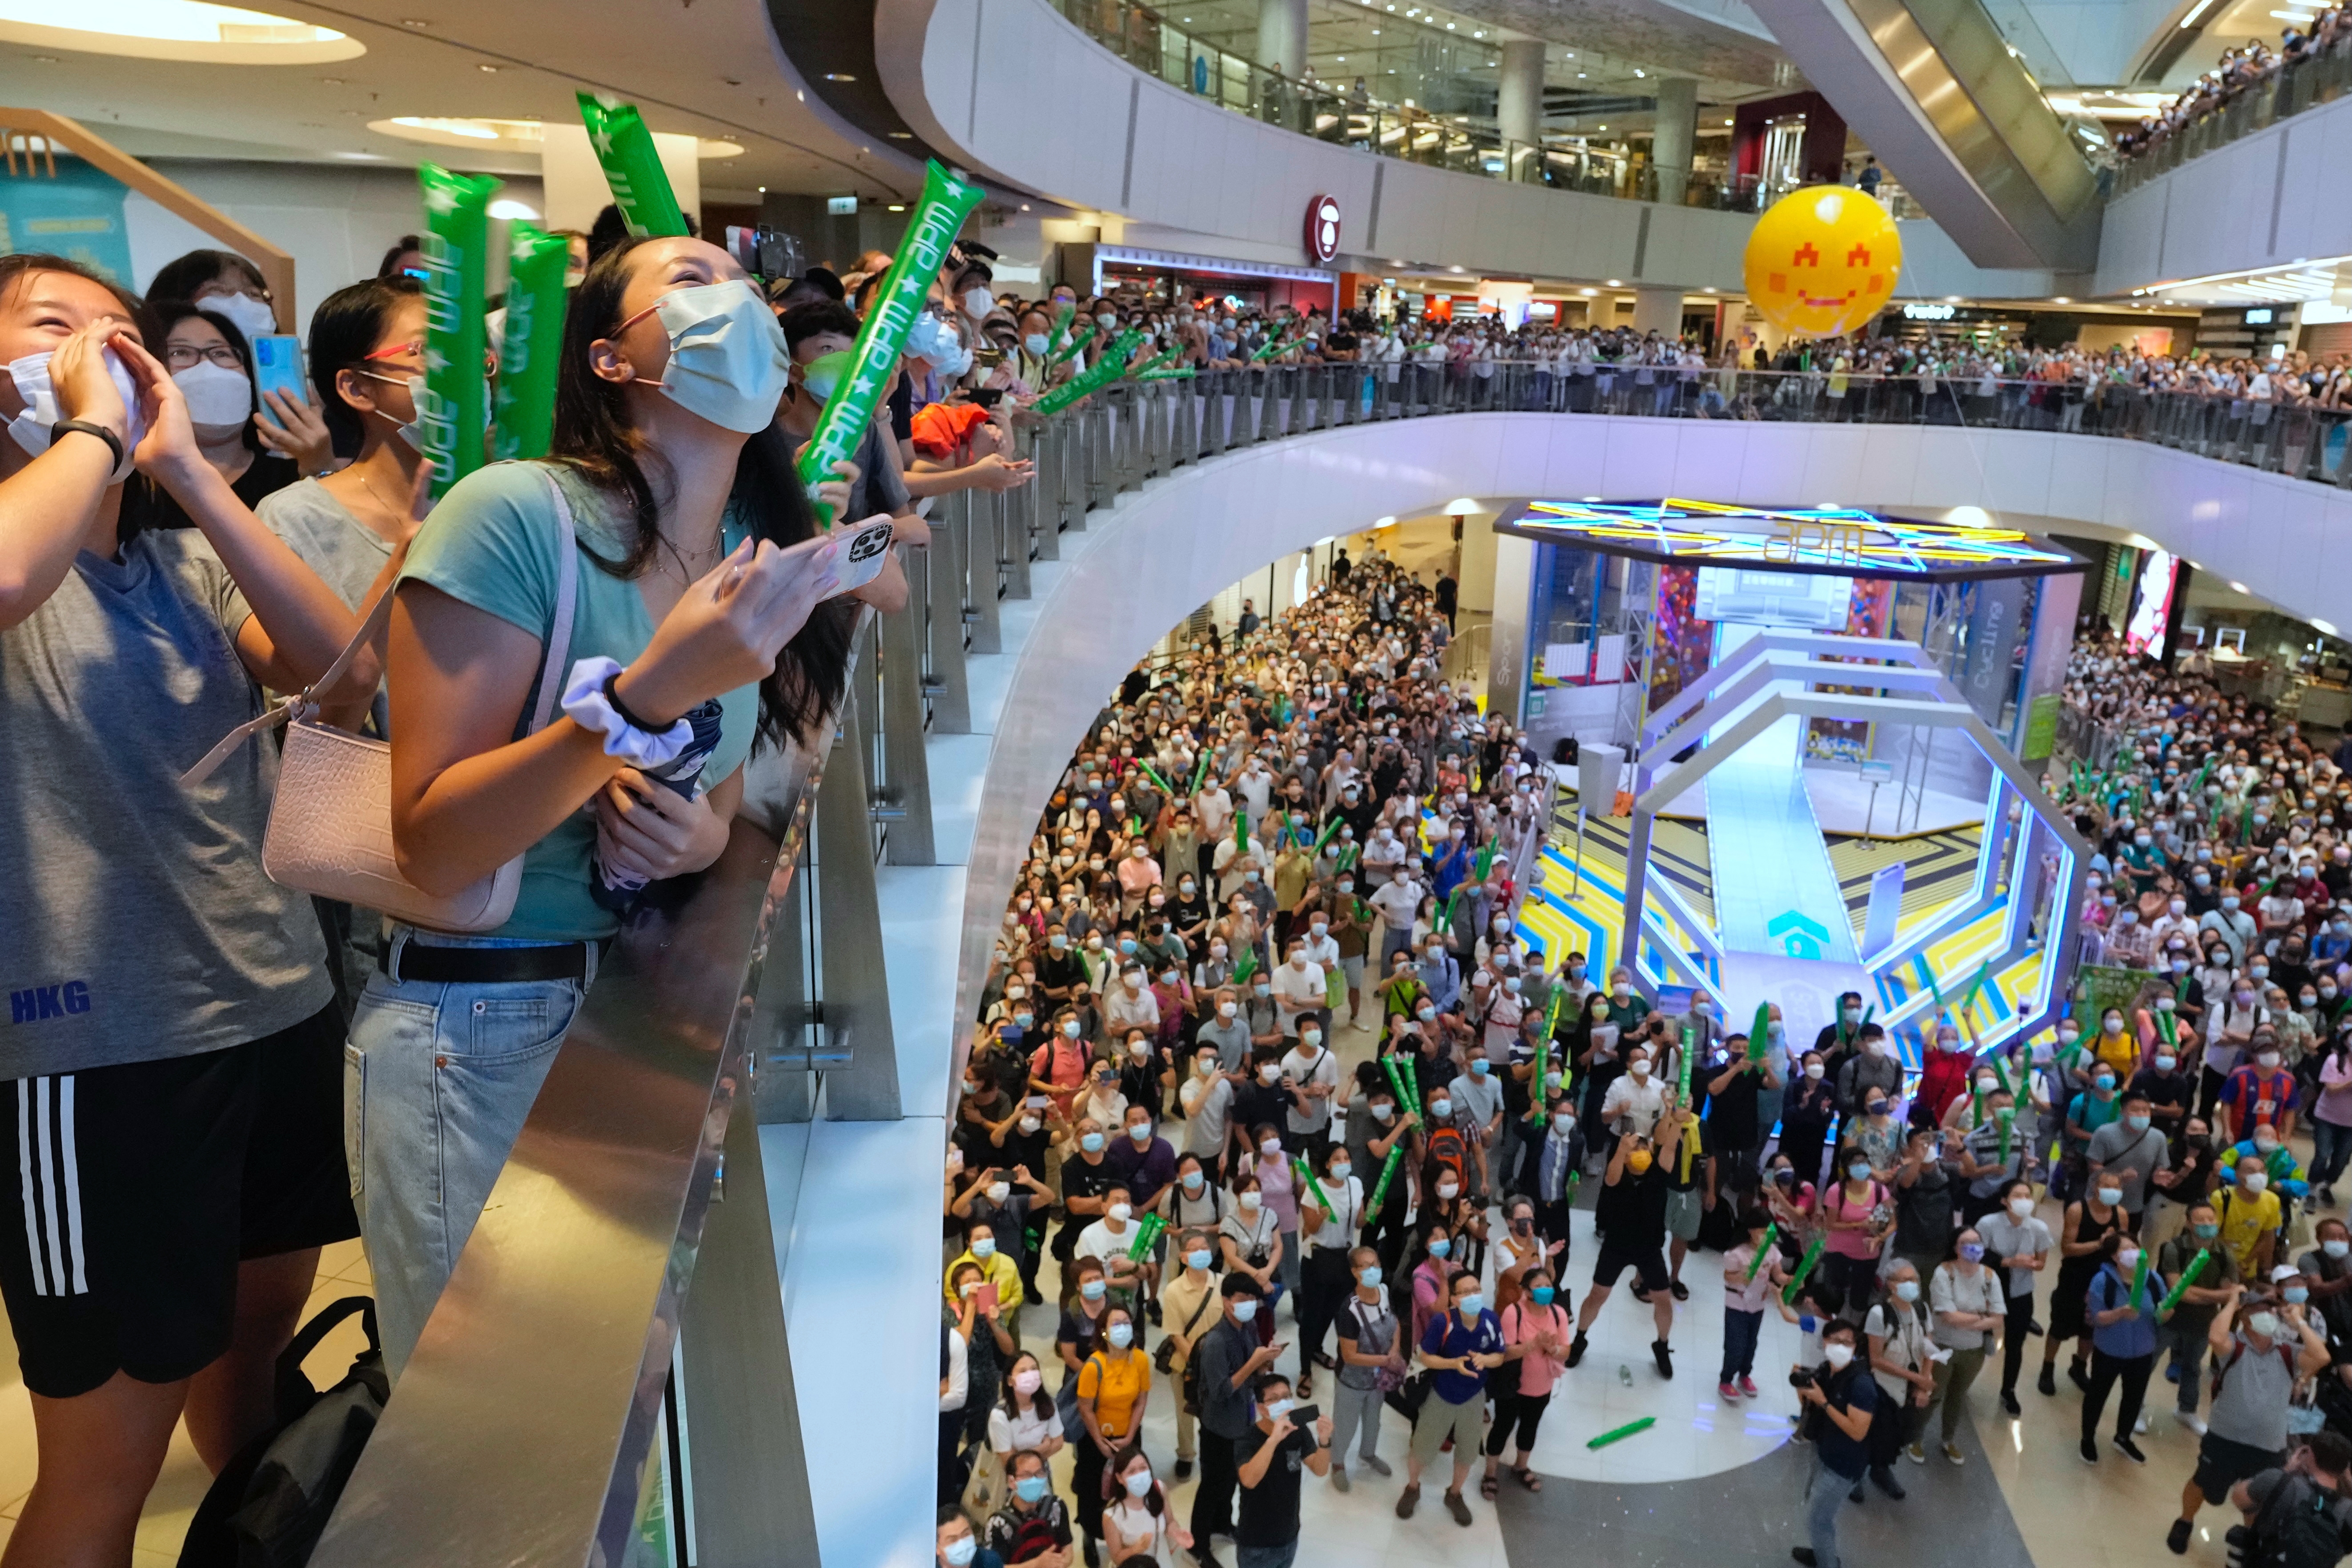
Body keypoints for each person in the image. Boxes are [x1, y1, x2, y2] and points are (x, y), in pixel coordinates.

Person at [351, 233, 864, 1377]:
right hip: (477, 1027)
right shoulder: (515, 516)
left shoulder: (741, 552)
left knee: (597, 1424)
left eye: (744, 289)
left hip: (632, 1020)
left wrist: (700, 834)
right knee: (485, 1437)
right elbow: (430, 843)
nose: (731, 301)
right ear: (610, 358)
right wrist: (639, 698)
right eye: (690, 282)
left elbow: (724, 782)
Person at [0, 252, 374, 1565]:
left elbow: (343, 675)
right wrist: (97, 428)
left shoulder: (183, 559)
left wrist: (198, 474)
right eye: (56, 327)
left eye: (121, 332)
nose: (100, 347)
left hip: (274, 1004)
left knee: (250, 1359)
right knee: (104, 1461)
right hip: (98, 1055)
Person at [2168, 1285, 2332, 1553]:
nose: (2268, 1314)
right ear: (2245, 1317)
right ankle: (2185, 1521)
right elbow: (2215, 1336)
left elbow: (2322, 1356)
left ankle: (2250, 1537)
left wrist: (2299, 1321)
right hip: (2225, 1438)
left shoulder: (2288, 1352)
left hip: (2269, 1446)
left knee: (2259, 1498)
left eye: (2271, 1309)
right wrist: (2233, 1301)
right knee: (2202, 1482)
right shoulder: (2235, 1345)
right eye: (2260, 1309)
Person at [1569, 1096, 1685, 1377]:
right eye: (1636, 1149)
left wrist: (1674, 1117)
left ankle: (1662, 1345)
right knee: (1598, 1295)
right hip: (1616, 1247)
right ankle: (1579, 1339)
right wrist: (1622, 1148)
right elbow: (1610, 1178)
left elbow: (1669, 1145)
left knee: (1663, 1300)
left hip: (1650, 1249)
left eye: (1644, 1148)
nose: (1641, 1153)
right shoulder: (1617, 1175)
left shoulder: (1659, 1173)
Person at [1400, 1267, 1504, 1526]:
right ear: (1455, 1299)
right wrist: (1452, 1364)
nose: (1473, 1296)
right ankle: (1412, 1488)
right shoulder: (1442, 1323)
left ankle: (1454, 1494)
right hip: (1441, 1395)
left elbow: (1500, 1354)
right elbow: (1425, 1356)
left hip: (1473, 1398)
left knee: (1468, 1453)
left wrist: (1486, 1359)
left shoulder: (1491, 1320)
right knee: (1422, 1448)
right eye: (1466, 1292)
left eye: (1476, 1290)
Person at [1191, 1275, 1282, 1568]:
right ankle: (1198, 1544)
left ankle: (1222, 1523)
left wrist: (1265, 1360)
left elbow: (1253, 1373)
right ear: (1226, 1301)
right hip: (1218, 1426)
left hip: (1243, 1421)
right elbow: (1220, 1392)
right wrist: (1254, 1363)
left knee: (1231, 1478)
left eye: (1252, 1300)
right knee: (1211, 1485)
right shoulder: (1215, 1342)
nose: (1248, 1305)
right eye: (1242, 1299)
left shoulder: (1249, 1327)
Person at [1792, 1321, 1879, 1568]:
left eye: (1847, 1342)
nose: (1841, 1346)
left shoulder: (1861, 1385)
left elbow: (1858, 1431)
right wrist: (1804, 1387)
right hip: (1823, 1450)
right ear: (1825, 1342)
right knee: (1816, 1510)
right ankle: (1822, 1553)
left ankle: (1828, 1562)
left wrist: (1824, 1403)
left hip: (1843, 1466)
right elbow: (1806, 1405)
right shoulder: (1826, 1370)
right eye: (1835, 1340)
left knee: (1819, 1520)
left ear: (1855, 1347)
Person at [1918, 1227, 2006, 1463]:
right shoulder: (1944, 1273)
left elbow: (1998, 1318)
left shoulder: (1989, 1276)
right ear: (1956, 1249)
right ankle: (1916, 1437)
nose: (1974, 1247)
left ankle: (1948, 1439)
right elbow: (1948, 1317)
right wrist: (1980, 1315)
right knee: (1933, 1394)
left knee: (1957, 1396)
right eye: (1967, 1243)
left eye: (1977, 1242)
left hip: (1974, 1351)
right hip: (1943, 1345)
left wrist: (1964, 1318)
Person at [1073, 1303, 1150, 1562]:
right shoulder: (1094, 1366)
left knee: (1125, 1488)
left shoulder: (1139, 1359)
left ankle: (1122, 1537)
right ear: (1104, 1332)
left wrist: (1129, 1436)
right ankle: (1090, 1533)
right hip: (1097, 1439)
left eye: (1127, 1322)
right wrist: (1100, 1441)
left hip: (1128, 1436)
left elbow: (1141, 1400)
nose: (1123, 1328)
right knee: (1093, 1490)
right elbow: (1085, 1408)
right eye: (1116, 1324)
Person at [1485, 1263, 1572, 1495]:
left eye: (1548, 1285)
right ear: (1527, 1291)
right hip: (1513, 1386)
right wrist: (1533, 1345)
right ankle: (1490, 1473)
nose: (1545, 1290)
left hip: (1542, 1386)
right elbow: (1506, 1352)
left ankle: (1521, 1466)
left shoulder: (1558, 1313)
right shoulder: (1515, 1312)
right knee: (1502, 1427)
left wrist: (1553, 1350)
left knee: (1530, 1426)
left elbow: (1566, 1350)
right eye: (1539, 1286)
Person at [2159, 1200, 2241, 1435]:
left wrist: (2195, 1293)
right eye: (2201, 1220)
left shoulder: (2225, 1254)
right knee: (2149, 1362)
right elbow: (2178, 1290)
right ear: (2188, 1223)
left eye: (2211, 1220)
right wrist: (2214, 1294)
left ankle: (2187, 1410)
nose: (2207, 1224)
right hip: (2169, 1316)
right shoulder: (2174, 1248)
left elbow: (2228, 1295)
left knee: (2193, 1367)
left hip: (2203, 1321)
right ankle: (2137, 1408)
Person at [1235, 1370, 1333, 1568]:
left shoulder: (1299, 1430)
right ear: (1262, 1409)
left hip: (1289, 1534)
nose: (1284, 1403)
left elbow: (1320, 1469)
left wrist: (1324, 1441)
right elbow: (1249, 1480)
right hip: (1256, 1542)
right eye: (1275, 1399)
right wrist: (1274, 1440)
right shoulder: (1247, 1438)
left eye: (1287, 1396)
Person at [2042, 1174, 2127, 1396]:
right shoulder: (2078, 1210)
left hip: (2103, 1280)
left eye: (2116, 1187)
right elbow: (2068, 1248)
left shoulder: (2121, 1214)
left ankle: (2079, 1367)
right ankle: (2047, 1367)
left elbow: (2121, 1247)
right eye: (2107, 1186)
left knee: (2090, 1329)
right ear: (2095, 1187)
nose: (2112, 1190)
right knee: (2059, 1326)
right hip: (2075, 1277)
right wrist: (2100, 1244)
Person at [2080, 1235, 2159, 1464]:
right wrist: (2120, 1313)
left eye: (2136, 1247)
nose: (2134, 1252)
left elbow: (2161, 1308)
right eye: (2127, 1249)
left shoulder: (2152, 1279)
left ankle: (2124, 1437)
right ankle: (2088, 1437)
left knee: (2134, 1397)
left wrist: (2165, 1313)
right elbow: (2097, 1317)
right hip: (2109, 1350)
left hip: (2143, 1351)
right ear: (2115, 1256)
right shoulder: (2102, 1281)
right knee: (2098, 1394)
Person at [1328, 1246, 1401, 1491]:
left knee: (1374, 1420)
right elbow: (1349, 1355)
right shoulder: (1349, 1309)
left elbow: (1394, 1322)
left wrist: (1395, 1350)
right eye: (1366, 1266)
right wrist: (1385, 1361)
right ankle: (1337, 1464)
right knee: (1346, 1424)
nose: (1373, 1270)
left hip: (1378, 1379)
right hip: (1352, 1380)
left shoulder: (1384, 1290)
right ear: (1354, 1272)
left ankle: (1368, 1453)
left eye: (1376, 1264)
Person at [1978, 1178, 2053, 1415]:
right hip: (1988, 1291)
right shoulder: (1988, 1224)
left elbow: (2041, 1263)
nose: (2023, 1201)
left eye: (2027, 1196)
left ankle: (2009, 1389)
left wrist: (2029, 1263)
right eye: (2017, 1196)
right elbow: (1976, 1255)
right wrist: (2010, 1261)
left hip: (2020, 1291)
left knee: (2015, 1344)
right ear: (2004, 1201)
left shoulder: (2039, 1228)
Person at [1861, 1261, 1933, 1498]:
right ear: (1891, 1285)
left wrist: (1924, 1383)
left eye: (1914, 1279)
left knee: (1894, 1436)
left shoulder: (1922, 1309)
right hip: (1883, 1385)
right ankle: (1856, 1475)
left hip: (1909, 1388)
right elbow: (1876, 1359)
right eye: (1904, 1280)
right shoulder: (1879, 1313)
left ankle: (1881, 1470)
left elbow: (1929, 1349)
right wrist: (1917, 1378)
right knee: (1871, 1432)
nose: (1911, 1285)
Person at [1722, 1208, 1785, 1400]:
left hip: (1758, 1306)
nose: (1766, 1235)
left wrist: (1792, 1280)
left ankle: (1745, 1375)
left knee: (1751, 1344)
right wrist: (1746, 1275)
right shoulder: (1737, 1254)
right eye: (1762, 1231)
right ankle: (1726, 1380)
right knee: (1736, 1345)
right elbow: (1728, 1276)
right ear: (1751, 1230)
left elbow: (1779, 1275)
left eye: (1769, 1231)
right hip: (1737, 1306)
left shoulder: (1772, 1252)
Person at [1102, 1443, 1189, 1565]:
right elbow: (1117, 1558)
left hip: (1161, 1559)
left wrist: (1176, 1533)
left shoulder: (1159, 1489)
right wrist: (1136, 1549)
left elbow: (1170, 1522)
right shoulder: (1112, 1516)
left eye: (1143, 1468)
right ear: (1120, 1478)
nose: (1139, 1475)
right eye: (1132, 1471)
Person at [986, 1448, 1074, 1567]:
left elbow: (1067, 1546)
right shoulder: (998, 1523)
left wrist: (1061, 1563)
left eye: (1039, 1474)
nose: (1034, 1480)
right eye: (1027, 1475)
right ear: (1012, 1482)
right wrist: (1037, 1564)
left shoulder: (1056, 1507)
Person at [938, 1504, 1008, 1568]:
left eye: (966, 1534)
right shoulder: (928, 1564)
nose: (962, 1544)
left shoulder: (989, 1561)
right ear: (937, 1548)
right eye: (953, 1540)